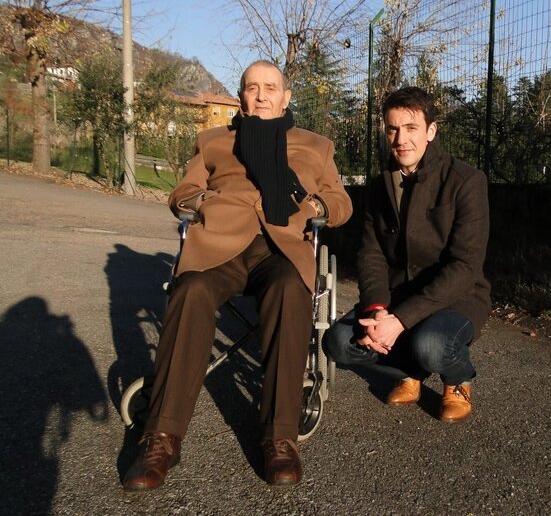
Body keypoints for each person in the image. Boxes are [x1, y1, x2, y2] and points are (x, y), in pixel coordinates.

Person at [122, 60, 352, 490]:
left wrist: (316, 208)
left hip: (281, 245)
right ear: (242, 96)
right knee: (190, 290)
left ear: (285, 97)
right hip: (221, 243)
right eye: (252, 87)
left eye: (270, 87)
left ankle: (280, 436)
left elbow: (341, 203)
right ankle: (162, 437)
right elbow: (182, 194)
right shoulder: (213, 141)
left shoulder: (315, 146)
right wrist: (206, 202)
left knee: (289, 289)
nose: (262, 95)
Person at [324, 86, 490, 423]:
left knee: (431, 345)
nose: (401, 139)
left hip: (453, 299)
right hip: (397, 296)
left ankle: (457, 380)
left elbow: (465, 265)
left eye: (411, 128)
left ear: (430, 130)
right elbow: (371, 255)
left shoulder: (465, 181)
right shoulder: (379, 186)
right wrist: (377, 311)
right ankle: (410, 371)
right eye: (392, 128)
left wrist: (399, 322)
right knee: (339, 342)